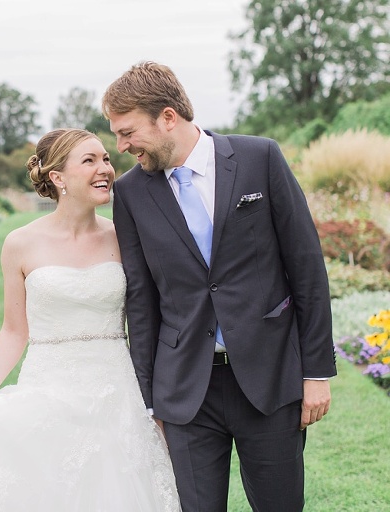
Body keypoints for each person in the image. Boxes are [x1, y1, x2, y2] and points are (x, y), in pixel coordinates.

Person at [0, 128, 181, 511]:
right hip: (49, 385)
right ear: (58, 177)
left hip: (116, 390)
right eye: (90, 161)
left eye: (106, 159)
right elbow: (14, 330)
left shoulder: (124, 237)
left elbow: (148, 317)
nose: (105, 169)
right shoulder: (20, 244)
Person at [102, 61, 337, 512]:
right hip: (187, 390)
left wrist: (316, 373)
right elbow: (142, 304)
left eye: (127, 131)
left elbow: (306, 269)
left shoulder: (259, 158)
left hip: (270, 380)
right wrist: (150, 403)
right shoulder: (131, 194)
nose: (122, 146)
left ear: (167, 117)